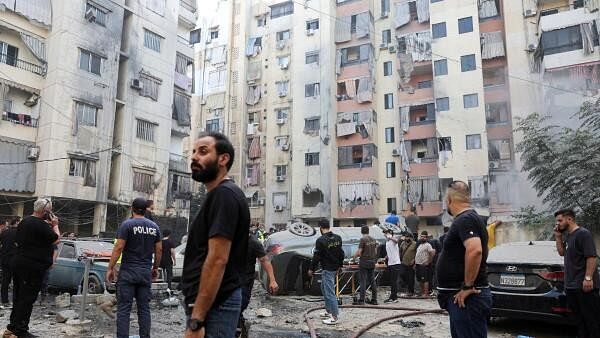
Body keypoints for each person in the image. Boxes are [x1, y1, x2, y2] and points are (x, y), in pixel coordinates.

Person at [180, 132, 250, 338]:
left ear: (223, 158)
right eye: (193, 152)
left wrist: (196, 320)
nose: (194, 157)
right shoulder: (219, 195)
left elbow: (218, 259)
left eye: (203, 151)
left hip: (215, 306)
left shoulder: (224, 195)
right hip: (213, 304)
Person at [436, 181, 490, 338]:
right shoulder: (468, 218)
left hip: (467, 299)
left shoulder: (465, 219)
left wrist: (467, 287)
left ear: (449, 200)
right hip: (461, 300)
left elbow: (475, 250)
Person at [3, 198, 60, 338]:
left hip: (19, 263)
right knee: (27, 298)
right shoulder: (41, 224)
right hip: (32, 267)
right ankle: (21, 330)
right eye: (49, 210)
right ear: (45, 211)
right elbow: (56, 239)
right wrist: (55, 225)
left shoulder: (25, 221)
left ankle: (12, 327)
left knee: (18, 297)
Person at [107, 197, 162, 338]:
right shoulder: (154, 227)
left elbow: (119, 247)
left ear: (132, 209)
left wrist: (110, 268)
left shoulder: (127, 225)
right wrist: (155, 268)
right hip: (144, 273)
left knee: (124, 309)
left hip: (128, 273)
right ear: (145, 210)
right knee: (144, 309)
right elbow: (159, 250)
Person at [554, 208, 600, 338]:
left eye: (560, 220)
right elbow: (562, 252)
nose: (557, 224)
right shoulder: (569, 236)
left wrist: (588, 278)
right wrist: (558, 237)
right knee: (579, 322)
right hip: (571, 286)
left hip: (584, 287)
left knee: (592, 321)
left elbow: (591, 257)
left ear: (570, 219)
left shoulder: (583, 234)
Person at [237, 235, 278, 337]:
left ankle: (239, 328)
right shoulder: (229, 238)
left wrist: (272, 280)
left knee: (240, 306)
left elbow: (264, 260)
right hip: (229, 282)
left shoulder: (253, 242)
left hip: (245, 283)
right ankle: (238, 329)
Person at [308, 220, 344, 325]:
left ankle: (335, 317)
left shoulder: (320, 240)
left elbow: (316, 257)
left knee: (330, 292)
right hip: (333, 268)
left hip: (328, 269)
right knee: (324, 289)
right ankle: (328, 311)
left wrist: (311, 269)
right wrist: (340, 265)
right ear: (329, 226)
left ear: (320, 227)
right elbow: (341, 253)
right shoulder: (338, 238)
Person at [352, 225, 379, 305]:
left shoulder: (362, 239)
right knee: (372, 281)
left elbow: (359, 252)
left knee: (363, 281)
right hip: (372, 262)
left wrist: (354, 257)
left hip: (364, 262)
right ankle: (374, 300)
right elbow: (376, 252)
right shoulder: (374, 239)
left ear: (361, 231)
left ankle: (361, 300)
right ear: (368, 231)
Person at [0, 218, 18, 308]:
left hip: (4, 259)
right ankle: (15, 301)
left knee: (5, 281)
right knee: (16, 281)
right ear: (17, 223)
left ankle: (4, 300)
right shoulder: (19, 233)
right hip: (15, 260)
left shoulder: (4, 232)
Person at [415, 231, 436, 297]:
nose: (422, 238)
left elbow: (432, 253)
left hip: (423, 265)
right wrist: (415, 263)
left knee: (425, 280)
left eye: (424, 237)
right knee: (420, 280)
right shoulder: (420, 245)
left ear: (426, 238)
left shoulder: (428, 245)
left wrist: (428, 262)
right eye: (421, 236)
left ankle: (426, 293)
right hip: (418, 265)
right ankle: (422, 292)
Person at [383, 230, 401, 303]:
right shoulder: (387, 243)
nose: (385, 236)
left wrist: (390, 236)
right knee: (392, 281)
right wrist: (385, 257)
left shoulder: (393, 241)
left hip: (395, 263)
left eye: (386, 234)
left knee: (394, 281)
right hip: (390, 263)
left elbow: (397, 241)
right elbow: (390, 252)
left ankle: (394, 297)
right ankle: (393, 297)